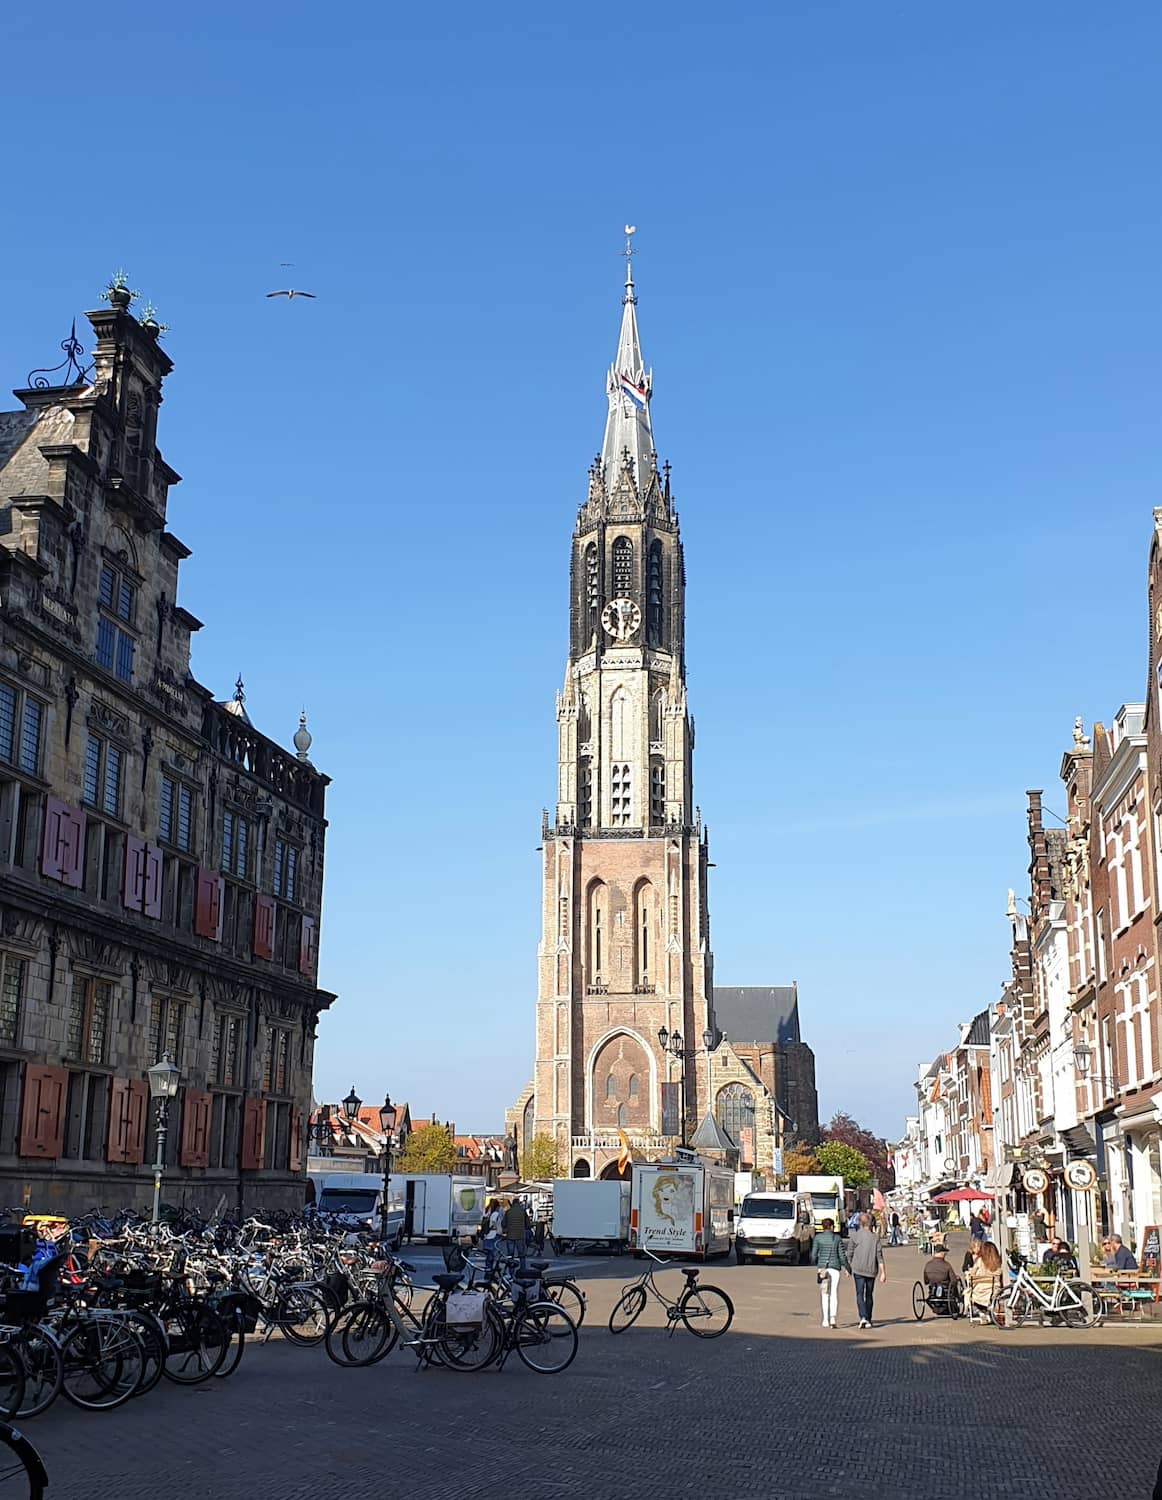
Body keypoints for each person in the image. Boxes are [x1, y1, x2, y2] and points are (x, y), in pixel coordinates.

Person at [847, 1212, 887, 1328]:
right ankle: (868, 1319)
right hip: (871, 1270)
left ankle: (863, 1317)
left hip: (858, 1269)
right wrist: (883, 1273)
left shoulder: (855, 1236)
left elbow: (850, 1253)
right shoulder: (875, 1237)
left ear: (860, 1223)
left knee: (860, 1294)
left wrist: (848, 1268)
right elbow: (879, 1256)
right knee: (869, 1295)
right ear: (871, 1224)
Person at [810, 1217, 850, 1328]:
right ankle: (833, 1318)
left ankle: (825, 1320)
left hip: (823, 1268)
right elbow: (842, 1255)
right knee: (834, 1293)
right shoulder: (837, 1238)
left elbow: (813, 1255)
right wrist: (847, 1268)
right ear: (831, 1226)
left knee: (824, 1294)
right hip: (835, 1268)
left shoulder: (818, 1238)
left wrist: (817, 1263)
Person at [965, 1241, 1003, 1322]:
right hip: (994, 1290)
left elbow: (972, 1274)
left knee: (968, 1292)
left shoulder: (980, 1261)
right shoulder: (998, 1262)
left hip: (979, 1291)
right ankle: (987, 1312)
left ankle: (982, 1311)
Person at [502, 1196, 529, 1266]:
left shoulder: (508, 1211)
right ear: (519, 1203)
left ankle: (511, 1272)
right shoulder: (523, 1211)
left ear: (512, 1204)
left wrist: (506, 1229)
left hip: (510, 1236)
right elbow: (528, 1223)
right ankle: (523, 1270)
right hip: (520, 1235)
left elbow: (503, 1223)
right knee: (522, 1254)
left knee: (510, 1255)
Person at [482, 1198, 503, 1272]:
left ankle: (489, 1266)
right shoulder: (495, 1214)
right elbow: (494, 1224)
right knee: (492, 1252)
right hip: (493, 1234)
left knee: (490, 1251)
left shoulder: (489, 1211)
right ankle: (489, 1266)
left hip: (490, 1234)